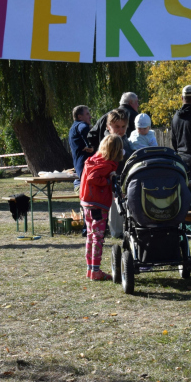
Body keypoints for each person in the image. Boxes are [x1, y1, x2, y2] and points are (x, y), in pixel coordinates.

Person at [79, 134, 124, 281]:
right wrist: (107, 181)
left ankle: (90, 269)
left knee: (91, 237)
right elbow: (93, 178)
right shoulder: (105, 165)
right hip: (97, 205)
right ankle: (96, 271)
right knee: (98, 238)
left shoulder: (92, 160)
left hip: (87, 203)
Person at [106, 108, 133, 238]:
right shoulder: (108, 141)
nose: (120, 130)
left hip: (125, 177)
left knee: (125, 205)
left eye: (123, 126)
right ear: (109, 126)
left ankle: (125, 229)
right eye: (117, 126)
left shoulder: (125, 140)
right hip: (112, 178)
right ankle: (116, 232)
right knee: (115, 207)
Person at [69, 105, 94, 192]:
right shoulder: (81, 125)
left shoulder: (73, 128)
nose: (90, 117)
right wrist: (91, 146)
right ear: (80, 116)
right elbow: (83, 128)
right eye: (87, 114)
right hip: (86, 166)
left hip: (80, 166)